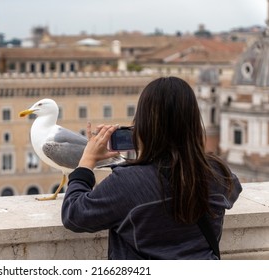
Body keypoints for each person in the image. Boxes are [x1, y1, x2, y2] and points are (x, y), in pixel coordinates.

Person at [61, 76, 242, 260]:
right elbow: (233, 190)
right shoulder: (218, 172)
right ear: (194, 123)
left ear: (142, 125)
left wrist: (87, 161)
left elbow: (74, 214)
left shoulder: (127, 183)